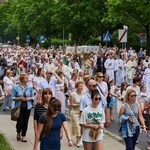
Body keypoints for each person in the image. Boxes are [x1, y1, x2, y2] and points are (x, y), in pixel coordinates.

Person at [11, 73, 34, 142]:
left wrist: (29, 99)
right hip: (19, 107)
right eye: (26, 78)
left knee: (25, 122)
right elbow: (12, 97)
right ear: (22, 79)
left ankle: (23, 135)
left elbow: (33, 97)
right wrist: (20, 98)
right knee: (20, 122)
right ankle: (18, 132)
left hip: (27, 107)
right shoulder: (16, 87)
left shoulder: (30, 87)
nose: (28, 79)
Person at [69, 81, 84, 147]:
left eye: (82, 86)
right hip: (75, 112)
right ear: (76, 87)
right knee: (77, 127)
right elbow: (71, 104)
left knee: (81, 127)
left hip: (82, 113)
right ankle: (78, 141)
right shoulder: (73, 94)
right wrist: (79, 105)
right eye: (80, 86)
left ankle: (80, 139)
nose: (81, 87)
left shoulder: (84, 94)